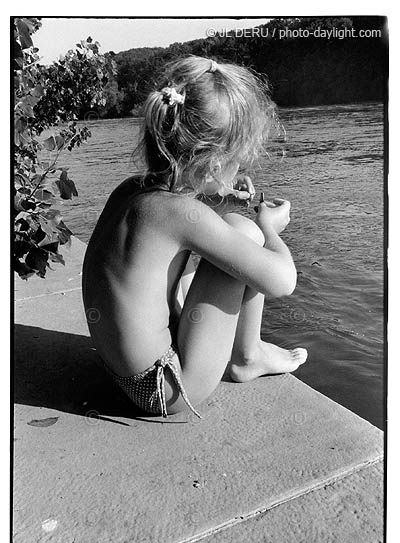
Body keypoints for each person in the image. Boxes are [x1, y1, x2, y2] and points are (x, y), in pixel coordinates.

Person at [82, 56, 307, 419]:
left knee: (226, 231)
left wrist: (220, 193)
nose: (241, 171)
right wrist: (269, 228)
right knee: (245, 232)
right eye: (238, 162)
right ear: (215, 166)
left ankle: (247, 353)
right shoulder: (179, 216)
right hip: (169, 388)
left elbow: (179, 219)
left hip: (122, 375)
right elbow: (282, 282)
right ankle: (248, 356)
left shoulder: (132, 193)